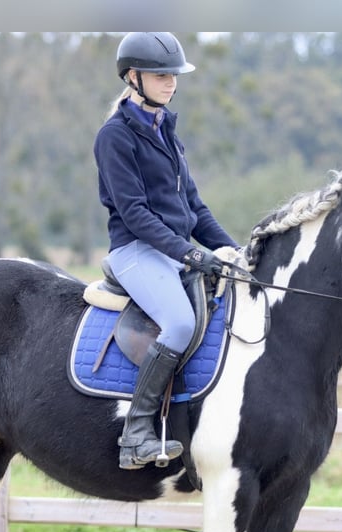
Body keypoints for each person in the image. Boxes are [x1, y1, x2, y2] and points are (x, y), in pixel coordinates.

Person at [94, 32, 239, 470]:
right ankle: (136, 433)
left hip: (170, 251)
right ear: (133, 76)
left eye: (173, 74)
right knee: (178, 323)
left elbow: (194, 208)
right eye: (161, 75)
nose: (171, 82)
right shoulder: (115, 137)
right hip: (136, 250)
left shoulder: (168, 133)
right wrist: (192, 255)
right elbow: (135, 214)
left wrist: (232, 249)